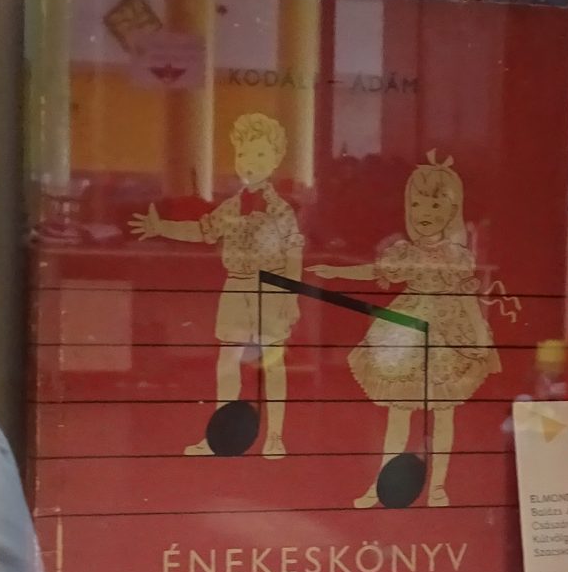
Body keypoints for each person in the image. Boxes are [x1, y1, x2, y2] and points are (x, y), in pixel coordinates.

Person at [309, 152, 512, 509]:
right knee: (399, 410)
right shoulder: (405, 252)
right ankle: (382, 485)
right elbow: (376, 271)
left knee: (442, 412)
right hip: (408, 330)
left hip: (447, 334)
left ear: (451, 210)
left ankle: (437, 487)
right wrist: (336, 271)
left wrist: (479, 338)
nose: (424, 213)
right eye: (417, 204)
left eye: (435, 205)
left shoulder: (456, 256)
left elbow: (466, 296)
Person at [129, 110, 301, 458]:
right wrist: (162, 228)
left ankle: (274, 436)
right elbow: (204, 230)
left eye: (260, 154)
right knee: (227, 360)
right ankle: (222, 437)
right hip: (237, 286)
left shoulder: (282, 210)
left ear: (276, 159)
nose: (250, 162)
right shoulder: (232, 206)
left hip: (270, 289)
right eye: (243, 154)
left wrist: (290, 297)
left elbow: (293, 253)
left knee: (272, 363)